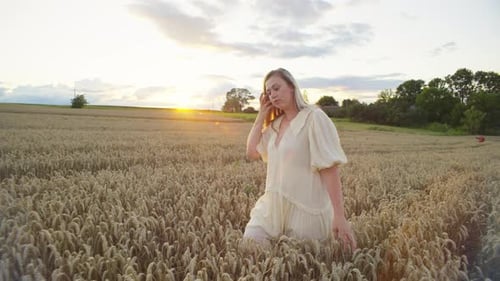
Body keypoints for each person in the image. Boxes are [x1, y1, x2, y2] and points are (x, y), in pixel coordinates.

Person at [244, 68, 357, 250]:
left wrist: (339, 216)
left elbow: (329, 169)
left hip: (305, 209)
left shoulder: (314, 118)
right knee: (251, 243)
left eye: (276, 88)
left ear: (291, 87)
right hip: (272, 208)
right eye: (268, 92)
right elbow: (251, 152)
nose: (272, 94)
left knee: (298, 261)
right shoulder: (274, 126)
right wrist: (261, 116)